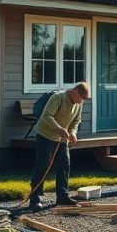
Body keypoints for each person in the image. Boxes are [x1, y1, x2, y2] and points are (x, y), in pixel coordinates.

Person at [29, 82, 90, 210]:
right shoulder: (58, 98)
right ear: (75, 91)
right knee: (43, 165)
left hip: (62, 138)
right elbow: (46, 116)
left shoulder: (79, 103)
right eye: (82, 98)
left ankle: (62, 196)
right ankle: (35, 199)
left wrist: (73, 132)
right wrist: (59, 129)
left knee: (64, 165)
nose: (82, 102)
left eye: (84, 99)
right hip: (45, 135)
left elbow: (76, 121)